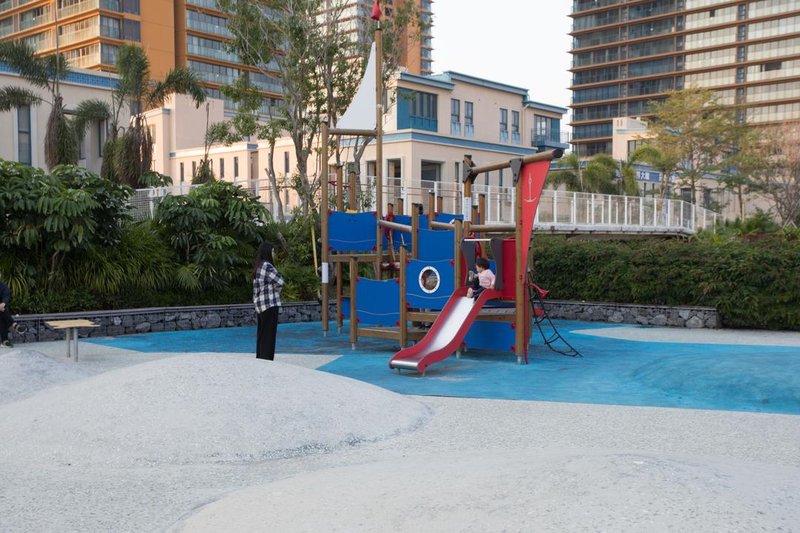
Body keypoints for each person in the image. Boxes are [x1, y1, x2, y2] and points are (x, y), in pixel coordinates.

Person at [253, 241, 284, 360]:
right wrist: (276, 288)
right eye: (273, 251)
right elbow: (280, 281)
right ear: (268, 252)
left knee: (262, 335)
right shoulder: (267, 265)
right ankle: (267, 360)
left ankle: (261, 358)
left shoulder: (259, 265)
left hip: (260, 305)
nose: (274, 254)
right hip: (269, 304)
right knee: (269, 336)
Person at [0, 280, 16, 348]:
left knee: (2, 313)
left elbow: (6, 297)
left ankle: (4, 341)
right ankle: (13, 324)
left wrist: (3, 304)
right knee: (2, 312)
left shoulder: (3, 286)